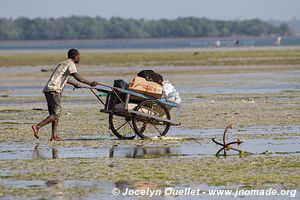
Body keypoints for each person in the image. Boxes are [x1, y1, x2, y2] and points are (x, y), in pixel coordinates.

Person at [31, 49, 98, 141]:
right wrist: (90, 83)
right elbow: (77, 76)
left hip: (49, 90)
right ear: (75, 56)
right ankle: (37, 126)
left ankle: (54, 136)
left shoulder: (63, 63)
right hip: (54, 90)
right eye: (79, 56)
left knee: (54, 114)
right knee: (56, 114)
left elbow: (64, 77)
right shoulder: (71, 64)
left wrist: (74, 84)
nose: (80, 58)